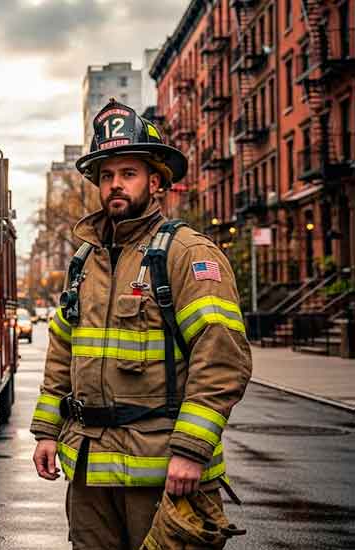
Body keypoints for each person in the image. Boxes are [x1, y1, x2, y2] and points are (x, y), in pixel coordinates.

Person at [30, 100, 252, 549]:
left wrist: (192, 449)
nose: (115, 184)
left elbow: (221, 358)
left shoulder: (186, 253)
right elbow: (62, 354)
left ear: (155, 182)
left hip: (163, 468)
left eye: (127, 173)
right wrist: (46, 432)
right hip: (90, 469)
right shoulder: (84, 261)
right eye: (106, 175)